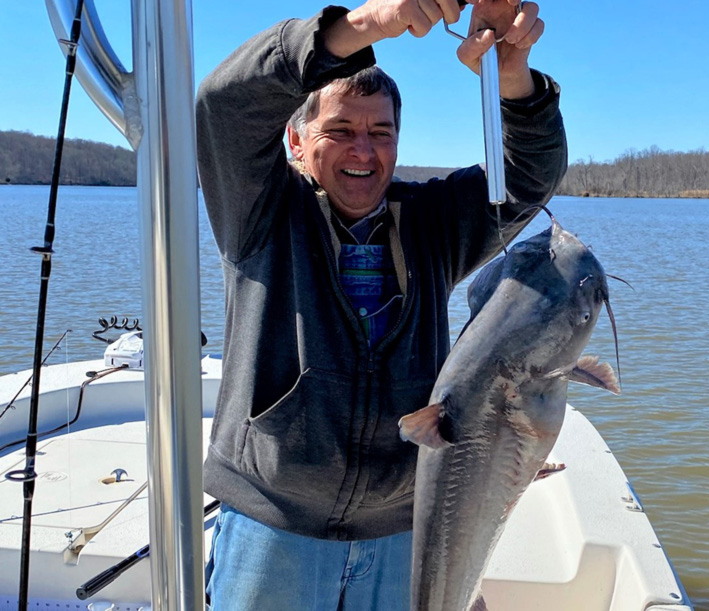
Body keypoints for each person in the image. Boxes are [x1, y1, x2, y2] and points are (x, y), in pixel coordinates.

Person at [196, 0, 566, 608]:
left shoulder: (433, 223)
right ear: (296, 139)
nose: (363, 151)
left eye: (380, 133)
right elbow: (223, 105)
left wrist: (512, 79)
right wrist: (364, 27)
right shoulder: (259, 212)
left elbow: (528, 175)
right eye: (340, 131)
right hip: (277, 528)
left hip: (403, 528)